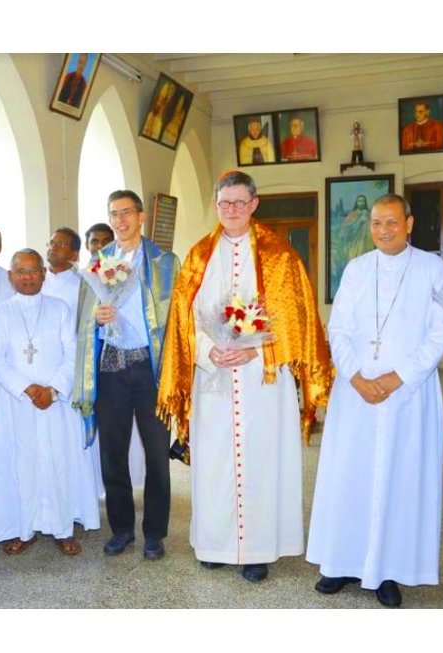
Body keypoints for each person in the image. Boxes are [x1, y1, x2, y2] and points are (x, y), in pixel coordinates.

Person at [157, 170, 332, 582]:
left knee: (261, 461)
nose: (231, 210)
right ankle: (215, 543)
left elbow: (293, 322)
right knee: (214, 461)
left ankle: (258, 549)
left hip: (261, 379)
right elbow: (184, 322)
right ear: (216, 206)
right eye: (224, 203)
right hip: (213, 377)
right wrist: (209, 350)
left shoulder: (280, 256)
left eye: (239, 202)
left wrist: (252, 348)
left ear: (254, 204)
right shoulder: (199, 256)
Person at [306, 194, 443, 607]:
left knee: (399, 477)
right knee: (349, 475)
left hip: (407, 393)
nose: (383, 230)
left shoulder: (431, 268)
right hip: (355, 393)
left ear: (409, 222)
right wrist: (354, 376)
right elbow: (339, 328)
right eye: (375, 223)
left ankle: (388, 570)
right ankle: (343, 562)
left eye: (391, 222)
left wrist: (396, 377)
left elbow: (440, 331)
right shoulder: (356, 268)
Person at [74, 190, 180, 560]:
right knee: (112, 453)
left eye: (126, 213)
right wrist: (97, 320)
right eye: (113, 214)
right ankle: (121, 529)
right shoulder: (96, 263)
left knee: (156, 455)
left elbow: (176, 321)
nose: (119, 221)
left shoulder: (164, 262)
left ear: (140, 218)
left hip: (150, 369)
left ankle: (154, 533)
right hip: (112, 368)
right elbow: (82, 320)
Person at [0, 249, 100, 555]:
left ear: (43, 274)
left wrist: (52, 390)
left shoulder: (60, 309)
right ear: (10, 277)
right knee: (22, 465)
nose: (27, 277)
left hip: (55, 404)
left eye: (33, 270)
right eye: (20, 271)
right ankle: (24, 529)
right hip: (17, 403)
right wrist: (26, 387)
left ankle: (62, 529)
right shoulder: (1, 313)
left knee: (57, 462)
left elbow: (72, 353)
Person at [43, 227, 82, 321]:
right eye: (51, 243)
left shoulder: (83, 284)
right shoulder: (36, 280)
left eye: (60, 244)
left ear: (74, 255)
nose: (53, 248)